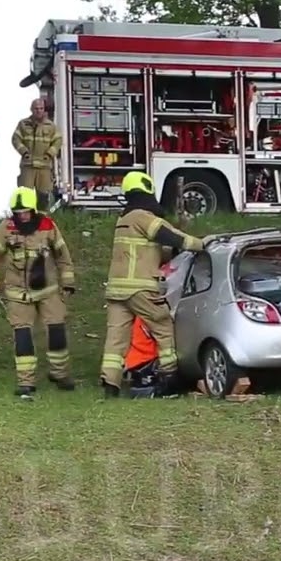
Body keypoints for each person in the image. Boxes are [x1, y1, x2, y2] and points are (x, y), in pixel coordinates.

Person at [98, 171, 206, 398]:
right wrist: (201, 244)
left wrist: (171, 252)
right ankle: (170, 377)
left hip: (117, 290)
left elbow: (150, 252)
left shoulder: (124, 219)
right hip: (140, 288)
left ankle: (111, 384)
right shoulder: (142, 216)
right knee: (163, 325)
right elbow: (171, 236)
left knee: (116, 338)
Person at [0, 187, 77, 398]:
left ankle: (60, 374)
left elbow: (62, 255)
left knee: (57, 331)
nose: (21, 216)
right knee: (22, 334)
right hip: (18, 293)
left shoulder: (47, 226)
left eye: (25, 211)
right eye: (18, 212)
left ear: (33, 210)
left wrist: (68, 282)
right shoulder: (6, 227)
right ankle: (26, 382)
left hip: (48, 290)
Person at [12, 98, 61, 211]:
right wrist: (23, 151)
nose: (39, 111)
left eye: (41, 108)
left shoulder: (51, 126)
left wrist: (49, 154)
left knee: (43, 197)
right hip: (28, 166)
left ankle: (41, 221)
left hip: (44, 167)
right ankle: (24, 219)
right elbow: (15, 139)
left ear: (44, 110)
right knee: (25, 195)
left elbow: (58, 141)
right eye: (36, 108)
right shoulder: (23, 124)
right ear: (31, 109)